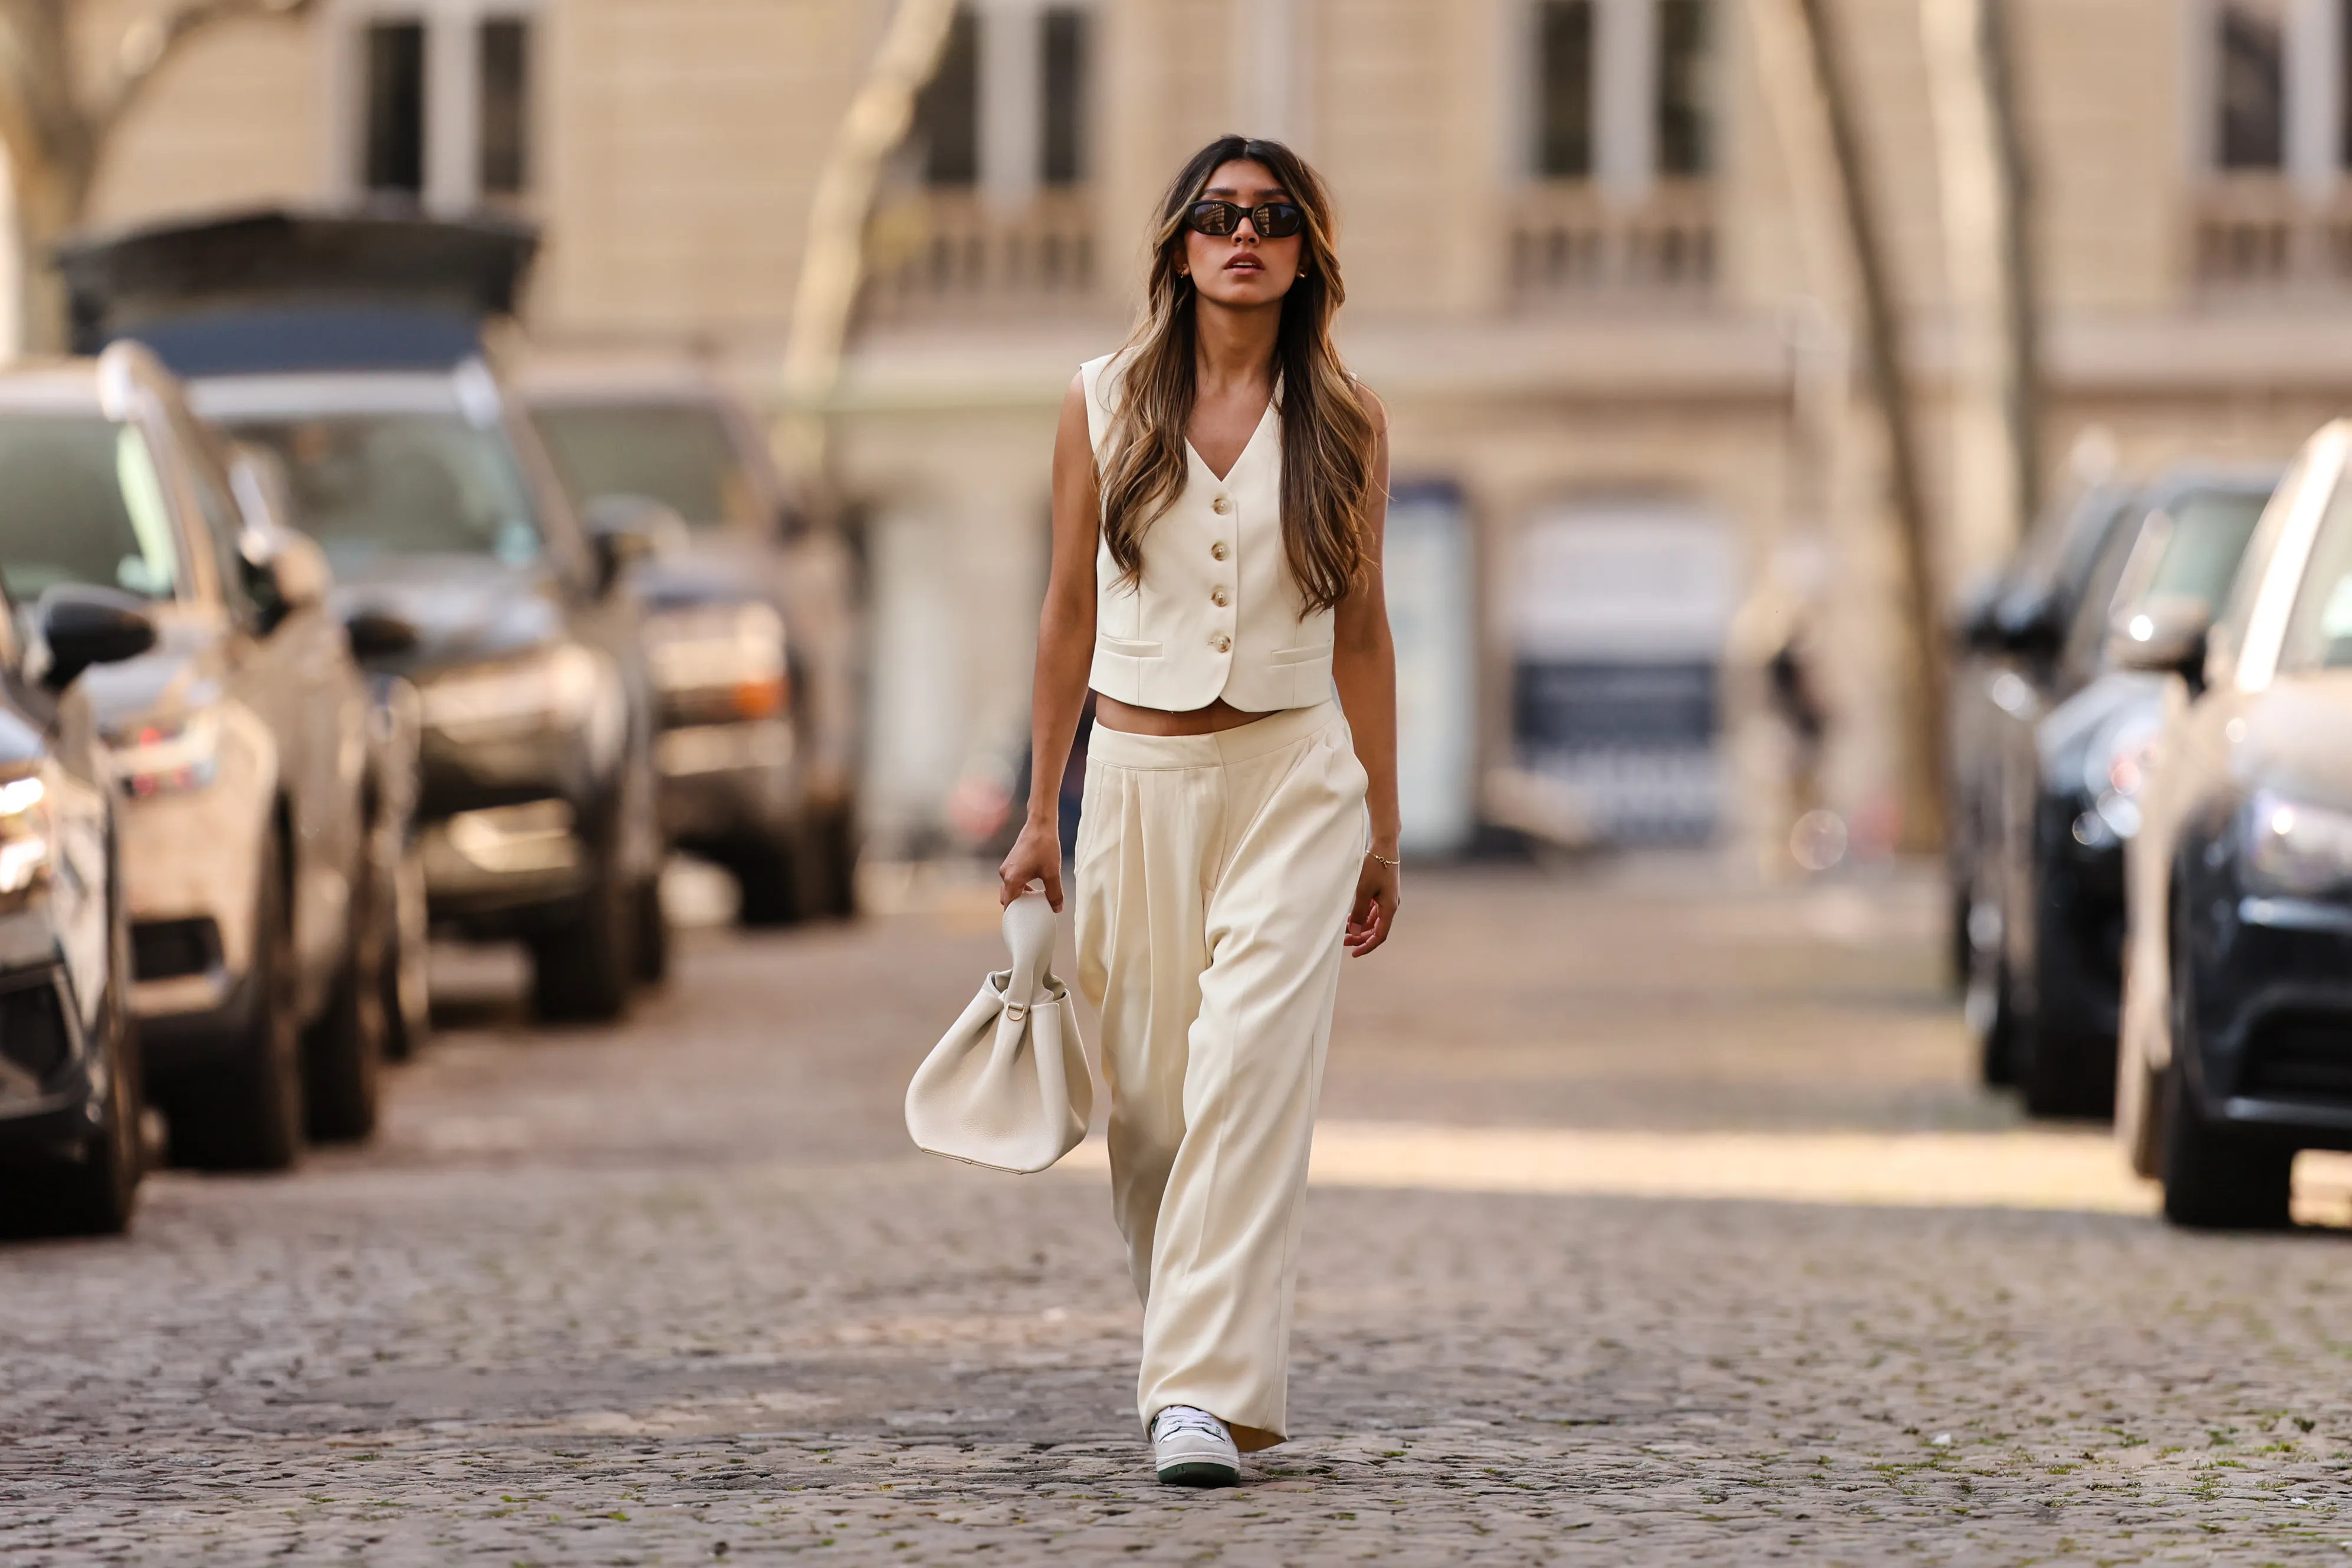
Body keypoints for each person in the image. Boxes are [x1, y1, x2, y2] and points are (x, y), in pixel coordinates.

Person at [997, 134, 1402, 1488]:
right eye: (1219, 216)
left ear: (1305, 253)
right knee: (1158, 1115)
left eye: (1274, 217)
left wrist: (1382, 832)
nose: (1246, 236)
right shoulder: (1099, 402)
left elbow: (1364, 636)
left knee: (1245, 1077)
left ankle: (1196, 1398)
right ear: (1178, 243)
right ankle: (1192, 1354)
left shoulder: (1348, 418)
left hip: (1295, 782)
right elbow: (1065, 612)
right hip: (1134, 782)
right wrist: (1038, 810)